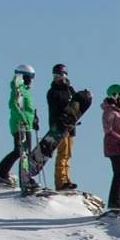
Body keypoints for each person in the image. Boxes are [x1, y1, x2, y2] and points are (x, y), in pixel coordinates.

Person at [0, 65, 39, 192]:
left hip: (27, 125)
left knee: (24, 152)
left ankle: (6, 173)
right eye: (31, 78)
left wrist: (34, 119)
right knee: (21, 151)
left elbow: (27, 109)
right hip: (19, 125)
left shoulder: (26, 91)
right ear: (24, 77)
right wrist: (23, 119)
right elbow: (14, 105)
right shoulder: (17, 89)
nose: (32, 80)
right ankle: (4, 174)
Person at [44, 63, 84, 191]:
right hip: (60, 126)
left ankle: (67, 178)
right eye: (57, 75)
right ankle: (60, 182)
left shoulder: (68, 90)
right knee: (62, 153)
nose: (60, 77)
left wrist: (71, 88)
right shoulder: (53, 92)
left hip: (70, 126)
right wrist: (60, 126)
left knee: (68, 154)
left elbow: (76, 101)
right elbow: (57, 110)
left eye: (62, 74)